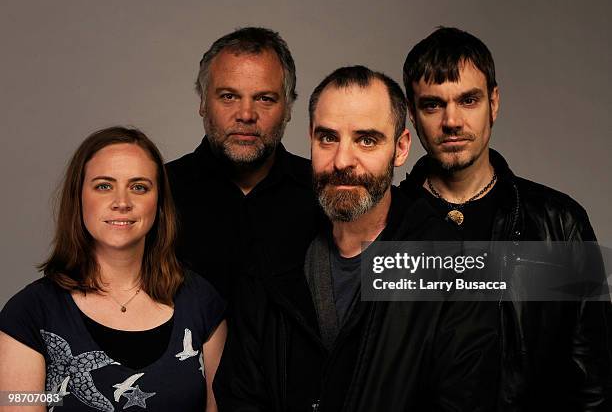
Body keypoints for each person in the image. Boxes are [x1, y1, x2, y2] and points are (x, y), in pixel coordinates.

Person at [214, 66, 499, 411]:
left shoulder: (453, 263)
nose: (342, 160)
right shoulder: (271, 250)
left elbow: (463, 400)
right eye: (328, 138)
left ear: (401, 148)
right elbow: (239, 395)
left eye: (366, 140)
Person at [400, 26, 612, 410]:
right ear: (412, 114)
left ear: (493, 103)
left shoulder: (559, 225)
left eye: (468, 100)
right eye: (433, 105)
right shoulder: (387, 226)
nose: (452, 121)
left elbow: (593, 385)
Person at [0, 127, 226, 411]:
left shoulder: (201, 303)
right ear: (79, 196)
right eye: (104, 186)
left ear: (158, 203)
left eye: (139, 187)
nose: (122, 202)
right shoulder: (29, 315)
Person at [166, 27, 318, 302]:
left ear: (288, 108)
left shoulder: (325, 193)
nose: (246, 114)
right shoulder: (159, 192)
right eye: (228, 96)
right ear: (203, 102)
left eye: (264, 98)